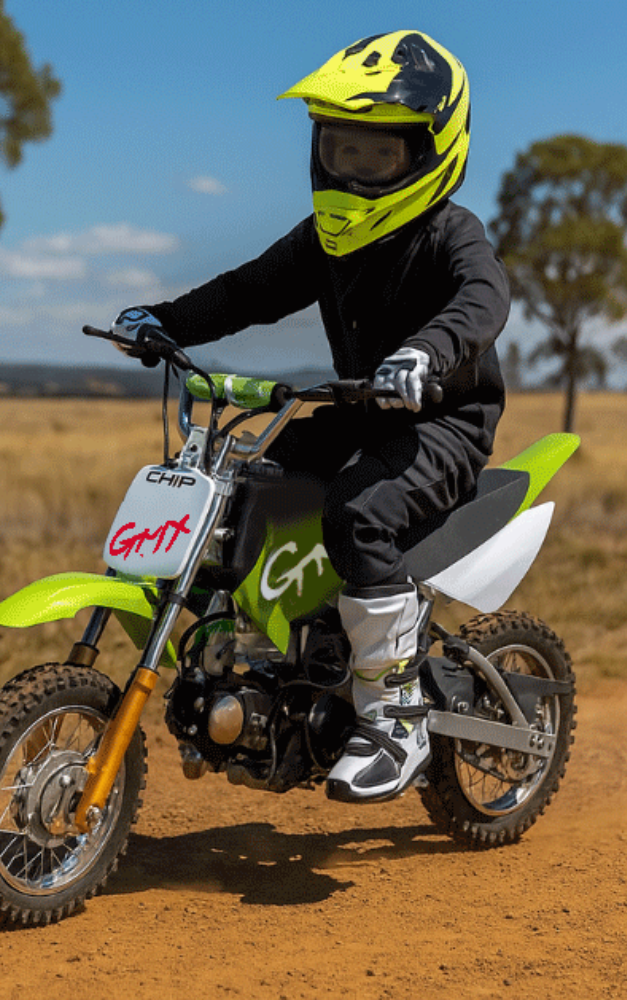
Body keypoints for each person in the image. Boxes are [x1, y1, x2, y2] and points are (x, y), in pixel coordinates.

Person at [111, 30, 510, 803]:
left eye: (378, 154)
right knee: (259, 483)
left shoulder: (451, 234)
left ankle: (396, 717)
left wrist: (425, 353)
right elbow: (247, 290)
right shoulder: (325, 241)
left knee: (359, 514)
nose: (354, 171)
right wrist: (164, 322)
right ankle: (277, 652)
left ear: (431, 151)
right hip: (361, 412)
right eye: (340, 149)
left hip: (441, 424)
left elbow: (482, 300)